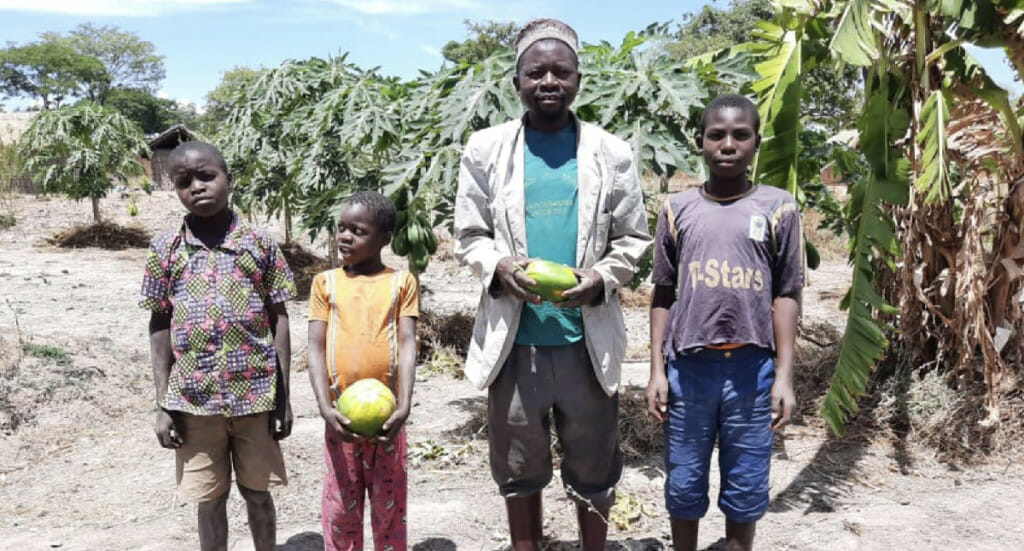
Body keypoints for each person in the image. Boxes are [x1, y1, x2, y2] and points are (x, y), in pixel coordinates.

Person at [454, 18, 652, 551]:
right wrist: (498, 267)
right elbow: (469, 234)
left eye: (560, 71)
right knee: (519, 467)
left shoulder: (612, 153)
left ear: (578, 80)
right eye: (535, 72)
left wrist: (602, 278)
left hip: (584, 343)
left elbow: (633, 238)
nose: (548, 81)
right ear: (516, 80)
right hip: (515, 343)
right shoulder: (486, 148)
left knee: (593, 465)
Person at [645, 94, 804, 551]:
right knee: (684, 483)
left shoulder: (778, 208)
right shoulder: (677, 209)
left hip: (752, 373)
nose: (728, 144)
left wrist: (784, 378)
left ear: (756, 142)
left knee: (747, 483)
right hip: (688, 371)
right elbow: (662, 293)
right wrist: (656, 370)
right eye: (717, 135)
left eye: (740, 135)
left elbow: (787, 294)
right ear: (700, 142)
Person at [141, 141, 296, 551]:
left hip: (256, 398)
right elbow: (159, 323)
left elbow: (279, 317)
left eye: (206, 176)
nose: (196, 187)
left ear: (229, 179)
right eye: (183, 181)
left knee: (258, 493)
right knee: (209, 499)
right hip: (193, 403)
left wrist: (283, 397)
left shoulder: (259, 245)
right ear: (174, 188)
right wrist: (162, 405)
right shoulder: (165, 249)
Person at [306, 191, 419, 551]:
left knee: (389, 508)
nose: (345, 236)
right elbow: (315, 347)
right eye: (341, 228)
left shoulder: (402, 282)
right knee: (341, 509)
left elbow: (406, 343)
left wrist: (403, 406)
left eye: (357, 230)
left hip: (388, 419)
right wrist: (326, 408)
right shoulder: (326, 283)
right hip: (341, 416)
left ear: (384, 239)